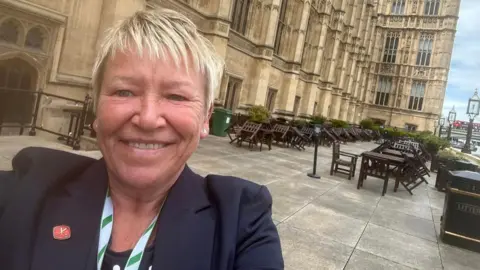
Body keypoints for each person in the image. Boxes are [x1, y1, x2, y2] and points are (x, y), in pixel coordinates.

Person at [0, 8, 283, 270]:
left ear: (206, 118)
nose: (147, 119)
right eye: (124, 92)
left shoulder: (242, 221)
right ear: (96, 107)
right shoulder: (28, 188)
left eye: (176, 96)